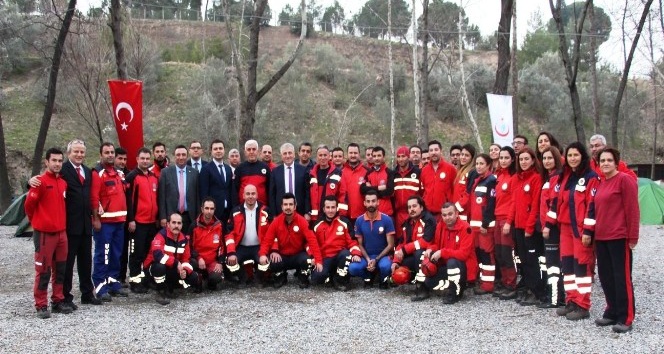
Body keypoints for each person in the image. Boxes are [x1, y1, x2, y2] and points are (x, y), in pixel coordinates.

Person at [32, 139, 101, 308]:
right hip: (68, 225)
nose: (79, 155)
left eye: (82, 152)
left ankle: (87, 293)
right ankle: (65, 296)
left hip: (85, 224)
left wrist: (94, 217)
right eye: (76, 152)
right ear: (69, 153)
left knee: (86, 261)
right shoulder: (63, 170)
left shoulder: (87, 171)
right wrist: (31, 181)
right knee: (66, 264)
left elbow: (91, 196)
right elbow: (47, 177)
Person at [584, 148, 639, 333]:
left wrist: (633, 236)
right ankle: (612, 311)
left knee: (621, 278)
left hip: (619, 237)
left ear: (616, 162)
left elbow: (632, 209)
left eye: (609, 160)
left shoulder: (624, 180)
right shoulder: (600, 183)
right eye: (602, 160)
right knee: (606, 277)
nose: (605, 163)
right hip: (602, 237)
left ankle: (626, 316)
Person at [545, 142, 599, 320]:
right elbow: (556, 201)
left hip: (581, 230)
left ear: (583, 156)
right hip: (565, 228)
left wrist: (588, 231)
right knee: (567, 266)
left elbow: (592, 206)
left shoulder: (591, 177)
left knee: (581, 267)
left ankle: (583, 305)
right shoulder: (566, 177)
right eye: (570, 155)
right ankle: (572, 301)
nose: (573, 158)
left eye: (576, 155)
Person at [25, 148, 72, 318]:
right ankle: (41, 304)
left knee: (60, 269)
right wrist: (38, 222)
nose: (58, 164)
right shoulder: (40, 182)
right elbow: (28, 206)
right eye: (54, 161)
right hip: (45, 234)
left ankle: (57, 300)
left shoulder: (63, 183)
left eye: (60, 161)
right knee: (43, 270)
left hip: (61, 233)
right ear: (47, 162)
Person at [504, 147, 545, 306]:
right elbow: (513, 203)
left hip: (530, 230)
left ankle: (537, 291)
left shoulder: (536, 178)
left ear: (533, 160)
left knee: (532, 261)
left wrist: (529, 228)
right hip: (518, 227)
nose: (524, 162)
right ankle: (528, 288)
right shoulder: (516, 178)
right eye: (521, 159)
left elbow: (535, 205)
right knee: (523, 261)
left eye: (527, 159)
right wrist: (509, 221)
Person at [258, 193, 323, 289]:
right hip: (282, 255)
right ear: (281, 206)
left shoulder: (302, 221)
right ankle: (281, 276)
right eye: (285, 204)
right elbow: (267, 240)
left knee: (308, 260)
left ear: (295, 206)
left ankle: (303, 277)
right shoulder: (276, 222)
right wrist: (263, 254)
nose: (288, 207)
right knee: (273, 261)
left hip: (298, 254)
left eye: (290, 204)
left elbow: (312, 240)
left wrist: (318, 260)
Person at [91, 142, 129, 301]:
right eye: (106, 152)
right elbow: (94, 198)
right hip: (105, 223)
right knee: (103, 255)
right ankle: (100, 285)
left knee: (116, 254)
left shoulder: (118, 173)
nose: (110, 155)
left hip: (119, 222)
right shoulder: (97, 173)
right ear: (101, 155)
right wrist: (96, 219)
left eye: (112, 152)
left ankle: (113, 282)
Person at [422, 202, 475, 305]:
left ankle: (455, 293)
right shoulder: (440, 225)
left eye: (450, 214)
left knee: (452, 262)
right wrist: (430, 249)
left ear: (456, 214)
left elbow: (463, 254)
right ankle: (445, 286)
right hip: (445, 265)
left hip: (463, 268)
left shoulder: (466, 228)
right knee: (429, 282)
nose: (447, 217)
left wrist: (442, 252)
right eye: (444, 215)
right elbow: (436, 244)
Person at [144, 213, 200, 305]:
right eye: (173, 223)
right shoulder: (161, 235)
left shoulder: (184, 239)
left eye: (179, 223)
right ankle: (160, 290)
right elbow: (158, 255)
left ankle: (171, 287)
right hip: (153, 268)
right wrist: (176, 263)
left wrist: (184, 270)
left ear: (182, 225)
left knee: (193, 276)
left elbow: (186, 259)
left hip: (171, 268)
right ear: (168, 224)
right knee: (159, 267)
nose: (176, 226)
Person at [125, 148, 159, 294]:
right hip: (138, 223)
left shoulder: (153, 177)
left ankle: (145, 279)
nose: (145, 161)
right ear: (137, 159)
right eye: (142, 158)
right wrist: (131, 220)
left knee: (148, 253)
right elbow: (128, 201)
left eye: (147, 158)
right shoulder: (132, 177)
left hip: (151, 222)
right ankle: (134, 281)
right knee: (136, 254)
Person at [310, 196, 362, 291]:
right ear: (324, 209)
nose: (330, 210)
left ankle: (340, 280)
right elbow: (311, 244)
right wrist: (313, 258)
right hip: (324, 258)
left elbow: (352, 241)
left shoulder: (344, 222)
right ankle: (330, 276)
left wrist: (356, 254)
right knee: (317, 278)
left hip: (340, 256)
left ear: (337, 208)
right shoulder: (317, 224)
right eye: (328, 207)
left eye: (333, 207)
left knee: (346, 254)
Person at [391, 196, 437, 301]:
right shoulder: (408, 223)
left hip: (432, 253)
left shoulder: (429, 220)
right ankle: (414, 280)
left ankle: (423, 288)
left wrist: (405, 250)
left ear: (421, 207)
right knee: (402, 264)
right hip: (416, 254)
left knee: (419, 253)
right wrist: (396, 260)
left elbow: (426, 241)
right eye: (409, 207)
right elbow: (402, 243)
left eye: (414, 206)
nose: (411, 209)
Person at [348, 190, 395, 289]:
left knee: (385, 267)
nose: (371, 204)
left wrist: (376, 259)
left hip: (382, 256)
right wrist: (369, 259)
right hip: (366, 256)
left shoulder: (387, 220)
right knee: (352, 268)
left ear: (378, 202)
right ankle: (368, 278)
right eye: (368, 201)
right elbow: (359, 244)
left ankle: (383, 279)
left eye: (373, 201)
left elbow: (390, 245)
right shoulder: (359, 220)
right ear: (364, 203)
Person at [225, 185, 271, 286]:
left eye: (253, 194)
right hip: (241, 247)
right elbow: (229, 234)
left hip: (259, 247)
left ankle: (258, 278)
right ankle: (243, 277)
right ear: (243, 195)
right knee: (229, 262)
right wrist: (231, 252)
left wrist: (265, 252)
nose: (250, 196)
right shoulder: (235, 211)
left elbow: (271, 234)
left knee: (266, 262)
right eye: (248, 194)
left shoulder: (265, 211)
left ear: (257, 195)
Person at [464, 154, 496, 295]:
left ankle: (488, 285)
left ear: (488, 165)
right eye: (477, 163)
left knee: (486, 254)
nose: (478, 166)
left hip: (484, 227)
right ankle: (482, 281)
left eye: (482, 163)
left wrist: (485, 223)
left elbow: (491, 204)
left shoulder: (491, 180)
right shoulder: (477, 180)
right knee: (479, 254)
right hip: (475, 226)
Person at [538, 146, 565, 309]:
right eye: (545, 158)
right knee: (549, 263)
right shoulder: (548, 178)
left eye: (550, 158)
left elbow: (554, 205)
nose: (547, 161)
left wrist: (548, 225)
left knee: (554, 265)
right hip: (546, 227)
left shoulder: (556, 178)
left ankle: (556, 298)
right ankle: (553, 295)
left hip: (552, 229)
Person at [493, 146, 517, 300]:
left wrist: (508, 222)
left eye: (506, 158)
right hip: (497, 219)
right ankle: (504, 281)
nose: (503, 160)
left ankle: (511, 284)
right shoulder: (499, 176)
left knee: (508, 254)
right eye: (501, 158)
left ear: (512, 159)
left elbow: (514, 202)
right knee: (499, 253)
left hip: (506, 221)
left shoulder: (513, 177)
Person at [158, 145, 200, 234]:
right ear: (174, 156)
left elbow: (197, 197)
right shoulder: (165, 172)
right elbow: (161, 196)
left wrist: (198, 217)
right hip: (171, 216)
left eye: (183, 155)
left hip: (189, 217)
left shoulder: (194, 173)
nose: (181, 157)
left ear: (187, 156)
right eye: (178, 155)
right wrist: (163, 217)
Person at [189, 198, 224, 291]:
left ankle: (209, 281)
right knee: (192, 265)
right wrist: (199, 258)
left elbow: (222, 246)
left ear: (214, 210)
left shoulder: (219, 225)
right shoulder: (194, 226)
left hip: (212, 261)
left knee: (216, 277)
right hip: (198, 260)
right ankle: (198, 280)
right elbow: (189, 247)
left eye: (211, 209)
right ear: (202, 209)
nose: (209, 211)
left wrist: (220, 262)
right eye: (207, 208)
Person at [199, 139, 234, 227]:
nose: (218, 151)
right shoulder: (206, 169)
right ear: (211, 151)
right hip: (214, 212)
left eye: (220, 148)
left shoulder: (228, 168)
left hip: (228, 212)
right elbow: (204, 192)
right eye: (215, 149)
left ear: (224, 150)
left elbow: (230, 189)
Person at [269, 143, 310, 217]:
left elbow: (307, 193)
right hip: (280, 212)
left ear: (294, 154)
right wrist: (274, 215)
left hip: (300, 211)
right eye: (285, 153)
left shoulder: (303, 171)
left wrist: (307, 212)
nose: (287, 156)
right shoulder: (275, 172)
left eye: (290, 153)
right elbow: (272, 195)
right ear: (281, 156)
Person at [420, 140, 457, 219]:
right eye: (431, 150)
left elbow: (454, 190)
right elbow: (424, 190)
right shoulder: (424, 170)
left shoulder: (450, 169)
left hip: (445, 214)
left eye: (436, 150)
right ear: (429, 152)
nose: (434, 152)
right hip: (428, 213)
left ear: (441, 151)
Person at [308, 145, 344, 223]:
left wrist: (341, 214)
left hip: (332, 215)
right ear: (317, 157)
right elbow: (308, 196)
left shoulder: (338, 173)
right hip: (315, 217)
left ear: (329, 156)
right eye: (320, 155)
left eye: (325, 155)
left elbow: (342, 194)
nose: (323, 157)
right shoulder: (311, 173)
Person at [392, 146, 421, 238]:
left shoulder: (418, 172)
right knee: (400, 239)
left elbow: (422, 192)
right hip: (399, 214)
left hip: (414, 213)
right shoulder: (393, 174)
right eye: (399, 156)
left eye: (403, 156)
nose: (401, 159)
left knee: (413, 238)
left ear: (408, 157)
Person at [234, 139, 271, 206]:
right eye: (249, 149)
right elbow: (235, 191)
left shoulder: (265, 167)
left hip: (262, 209)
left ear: (258, 151)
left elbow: (270, 190)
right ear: (245, 152)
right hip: (243, 208)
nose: (251, 152)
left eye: (254, 149)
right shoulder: (239, 168)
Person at [360, 146, 394, 218]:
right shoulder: (369, 173)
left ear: (383, 157)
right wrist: (379, 188)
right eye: (374, 156)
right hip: (371, 213)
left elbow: (389, 191)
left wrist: (370, 189)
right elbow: (362, 189)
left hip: (386, 212)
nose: (376, 158)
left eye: (379, 156)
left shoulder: (389, 172)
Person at [114, 147, 131, 286]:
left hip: (127, 219)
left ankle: (121, 276)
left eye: (125, 159)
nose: (122, 161)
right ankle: (111, 278)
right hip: (111, 219)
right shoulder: (107, 173)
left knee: (125, 250)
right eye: (120, 158)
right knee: (114, 251)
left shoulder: (129, 175)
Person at [340, 143, 368, 224]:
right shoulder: (340, 172)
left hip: (363, 215)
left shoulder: (366, 171)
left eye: (355, 153)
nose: (353, 155)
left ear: (359, 154)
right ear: (347, 154)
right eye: (351, 153)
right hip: (345, 216)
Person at [453, 144, 476, 221]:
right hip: (457, 213)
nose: (463, 157)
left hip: (465, 213)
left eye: (467, 155)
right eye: (462, 154)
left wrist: (456, 208)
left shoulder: (472, 172)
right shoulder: (459, 171)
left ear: (472, 158)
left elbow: (468, 194)